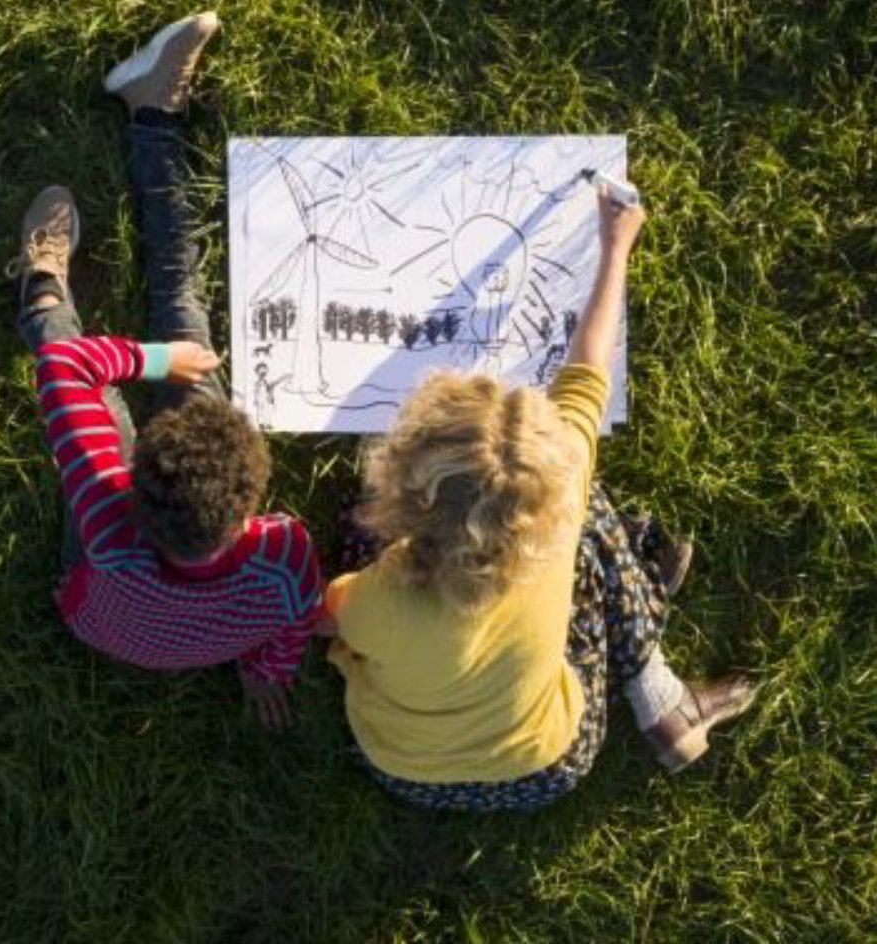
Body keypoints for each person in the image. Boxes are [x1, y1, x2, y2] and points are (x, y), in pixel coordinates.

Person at [319, 184, 758, 810]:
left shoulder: (382, 594)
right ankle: (657, 696)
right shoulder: (558, 506)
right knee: (586, 511)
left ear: (406, 488)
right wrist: (616, 249)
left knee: (350, 527)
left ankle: (661, 695)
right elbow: (588, 369)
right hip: (550, 764)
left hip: (404, 772)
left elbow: (326, 617)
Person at [11, 12, 320, 728]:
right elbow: (296, 620)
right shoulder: (281, 553)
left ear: (132, 473)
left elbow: (64, 365)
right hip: (152, 628)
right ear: (251, 514)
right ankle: (153, 112)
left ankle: (41, 284)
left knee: (135, 324)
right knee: (182, 306)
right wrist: (265, 669)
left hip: (93, 594)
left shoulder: (102, 502)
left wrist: (156, 361)